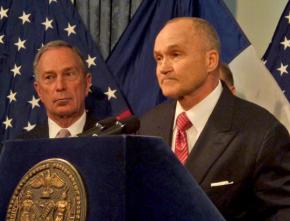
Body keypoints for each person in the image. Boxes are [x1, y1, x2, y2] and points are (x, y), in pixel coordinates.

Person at [138, 17, 290, 220]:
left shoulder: (262, 133)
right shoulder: (146, 125)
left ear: (210, 60)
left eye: (175, 55)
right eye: (158, 58)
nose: (163, 68)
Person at [19, 40, 96, 139]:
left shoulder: (110, 140)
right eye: (49, 77)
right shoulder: (21, 148)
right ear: (39, 91)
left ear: (87, 83)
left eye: (69, 74)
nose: (60, 86)